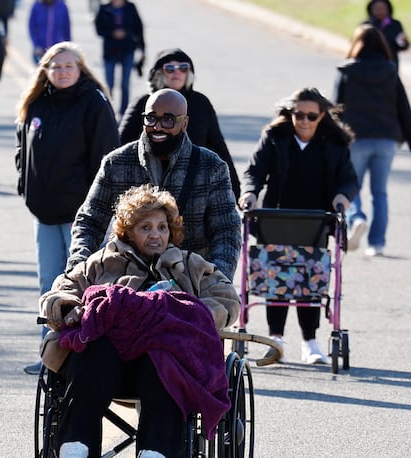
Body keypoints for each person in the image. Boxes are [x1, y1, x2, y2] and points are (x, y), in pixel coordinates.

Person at [40, 187, 240, 458]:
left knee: (165, 360)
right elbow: (59, 291)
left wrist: (190, 314)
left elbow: (226, 299)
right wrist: (70, 310)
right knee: (93, 351)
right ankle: (77, 446)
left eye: (162, 227)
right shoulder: (100, 263)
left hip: (161, 361)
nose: (156, 234)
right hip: (107, 364)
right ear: (127, 231)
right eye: (145, 227)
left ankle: (154, 451)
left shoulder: (191, 264)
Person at [70, 88, 241, 280]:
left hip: (190, 283)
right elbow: (89, 222)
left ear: (184, 123)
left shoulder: (212, 167)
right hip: (125, 283)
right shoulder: (116, 163)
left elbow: (227, 231)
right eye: (150, 118)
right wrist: (78, 272)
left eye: (168, 120)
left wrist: (215, 280)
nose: (157, 127)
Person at [240, 87, 356, 365]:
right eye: (298, 114)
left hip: (314, 221)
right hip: (276, 218)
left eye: (311, 116)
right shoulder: (275, 137)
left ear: (321, 116)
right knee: (276, 276)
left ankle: (309, 341)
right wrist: (250, 192)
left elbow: (348, 180)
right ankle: (276, 337)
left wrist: (343, 197)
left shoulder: (334, 143)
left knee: (309, 277)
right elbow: (254, 171)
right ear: (290, 114)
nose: (304, 121)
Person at [15, 44, 120, 301]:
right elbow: (22, 147)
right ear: (46, 71)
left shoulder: (94, 103)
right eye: (56, 66)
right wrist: (25, 184)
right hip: (45, 213)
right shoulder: (36, 103)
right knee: (49, 288)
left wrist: (98, 208)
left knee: (82, 289)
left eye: (69, 66)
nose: (62, 72)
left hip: (82, 217)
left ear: (80, 69)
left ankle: (82, 341)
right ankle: (49, 342)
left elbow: (107, 159)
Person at [116, 49, 240, 194]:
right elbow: (120, 146)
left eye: (183, 68)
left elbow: (219, 148)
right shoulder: (143, 103)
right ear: (158, 73)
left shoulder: (201, 103)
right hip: (148, 189)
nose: (177, 72)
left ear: (189, 73)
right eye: (169, 68)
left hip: (194, 186)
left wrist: (235, 191)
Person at [335, 25, 411, 256]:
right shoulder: (390, 71)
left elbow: (336, 108)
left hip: (355, 138)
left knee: (351, 186)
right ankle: (376, 243)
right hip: (386, 139)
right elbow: (403, 109)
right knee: (380, 192)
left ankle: (357, 218)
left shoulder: (347, 72)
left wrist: (331, 138)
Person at [93, 0, 144, 117]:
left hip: (127, 48)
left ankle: (125, 111)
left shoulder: (130, 7)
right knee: (109, 83)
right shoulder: (104, 8)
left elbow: (139, 28)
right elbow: (98, 29)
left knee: (125, 83)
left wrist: (142, 48)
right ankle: (109, 110)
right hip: (110, 49)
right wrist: (112, 33)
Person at [28, 0, 72, 64]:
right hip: (41, 50)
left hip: (57, 50)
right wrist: (36, 45)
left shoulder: (62, 7)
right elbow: (32, 28)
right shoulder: (37, 7)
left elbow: (67, 28)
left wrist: (68, 47)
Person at [364, 0, 408, 69]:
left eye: (383, 9)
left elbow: (403, 46)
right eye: (377, 9)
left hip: (391, 65)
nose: (381, 12)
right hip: (370, 65)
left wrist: (402, 42)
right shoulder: (366, 25)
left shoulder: (395, 24)